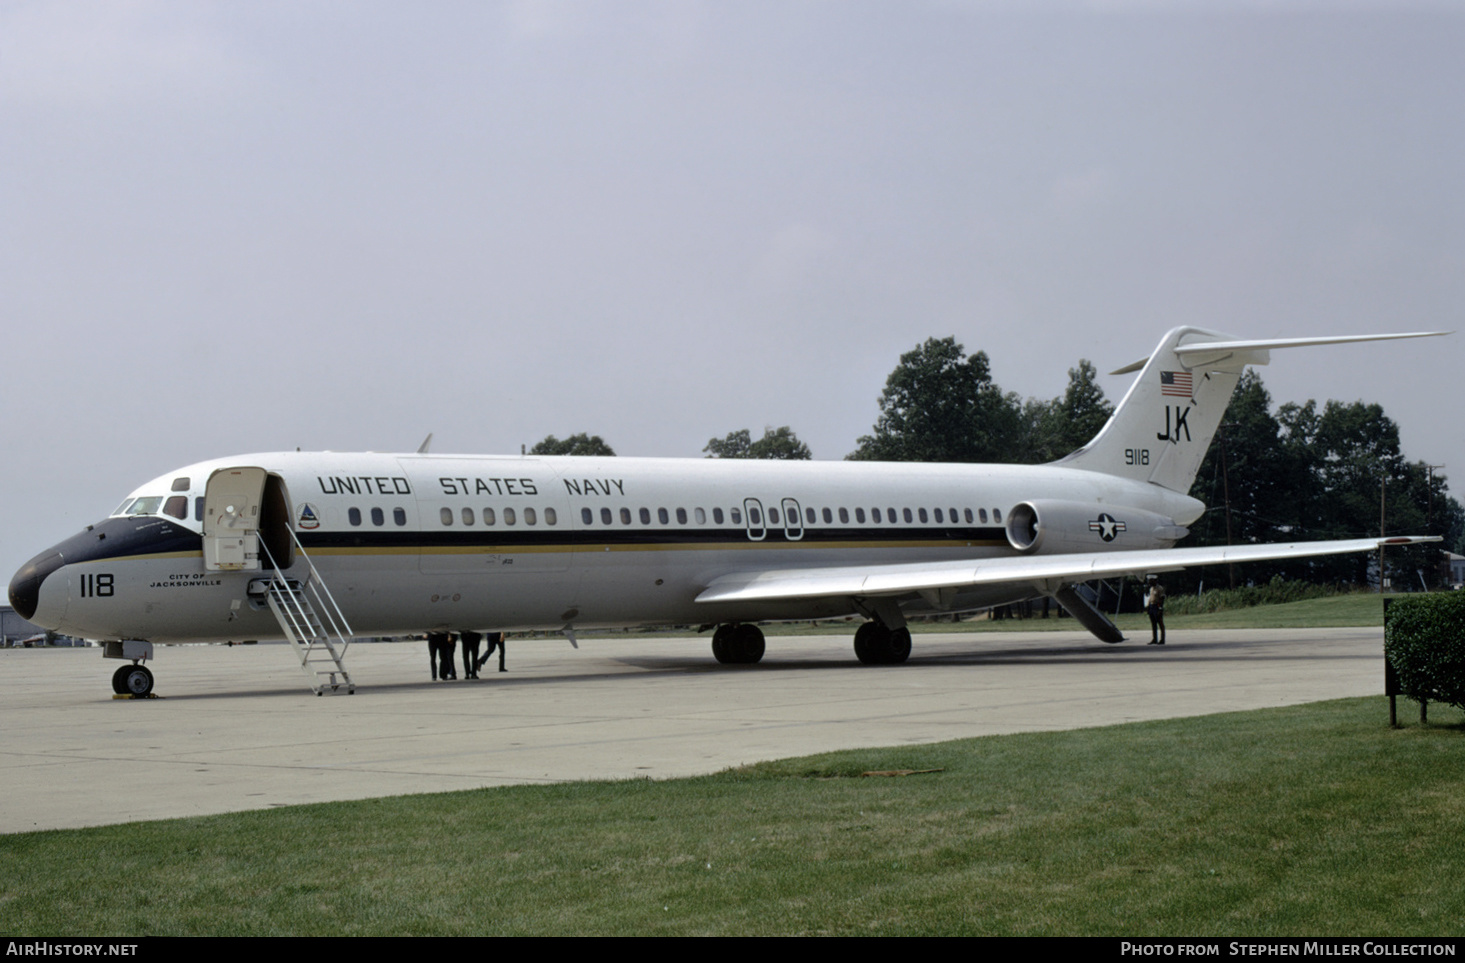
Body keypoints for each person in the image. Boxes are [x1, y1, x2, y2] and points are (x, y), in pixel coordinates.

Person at [1146, 577, 1167, 646]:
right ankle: (1154, 639)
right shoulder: (1151, 588)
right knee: (1153, 624)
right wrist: (1148, 607)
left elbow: (1162, 598)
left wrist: (1160, 608)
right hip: (1152, 606)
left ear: (1155, 580)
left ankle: (1162, 639)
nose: (1149, 582)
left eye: (1151, 581)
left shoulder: (1159, 588)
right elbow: (1150, 598)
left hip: (1157, 606)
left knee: (1160, 623)